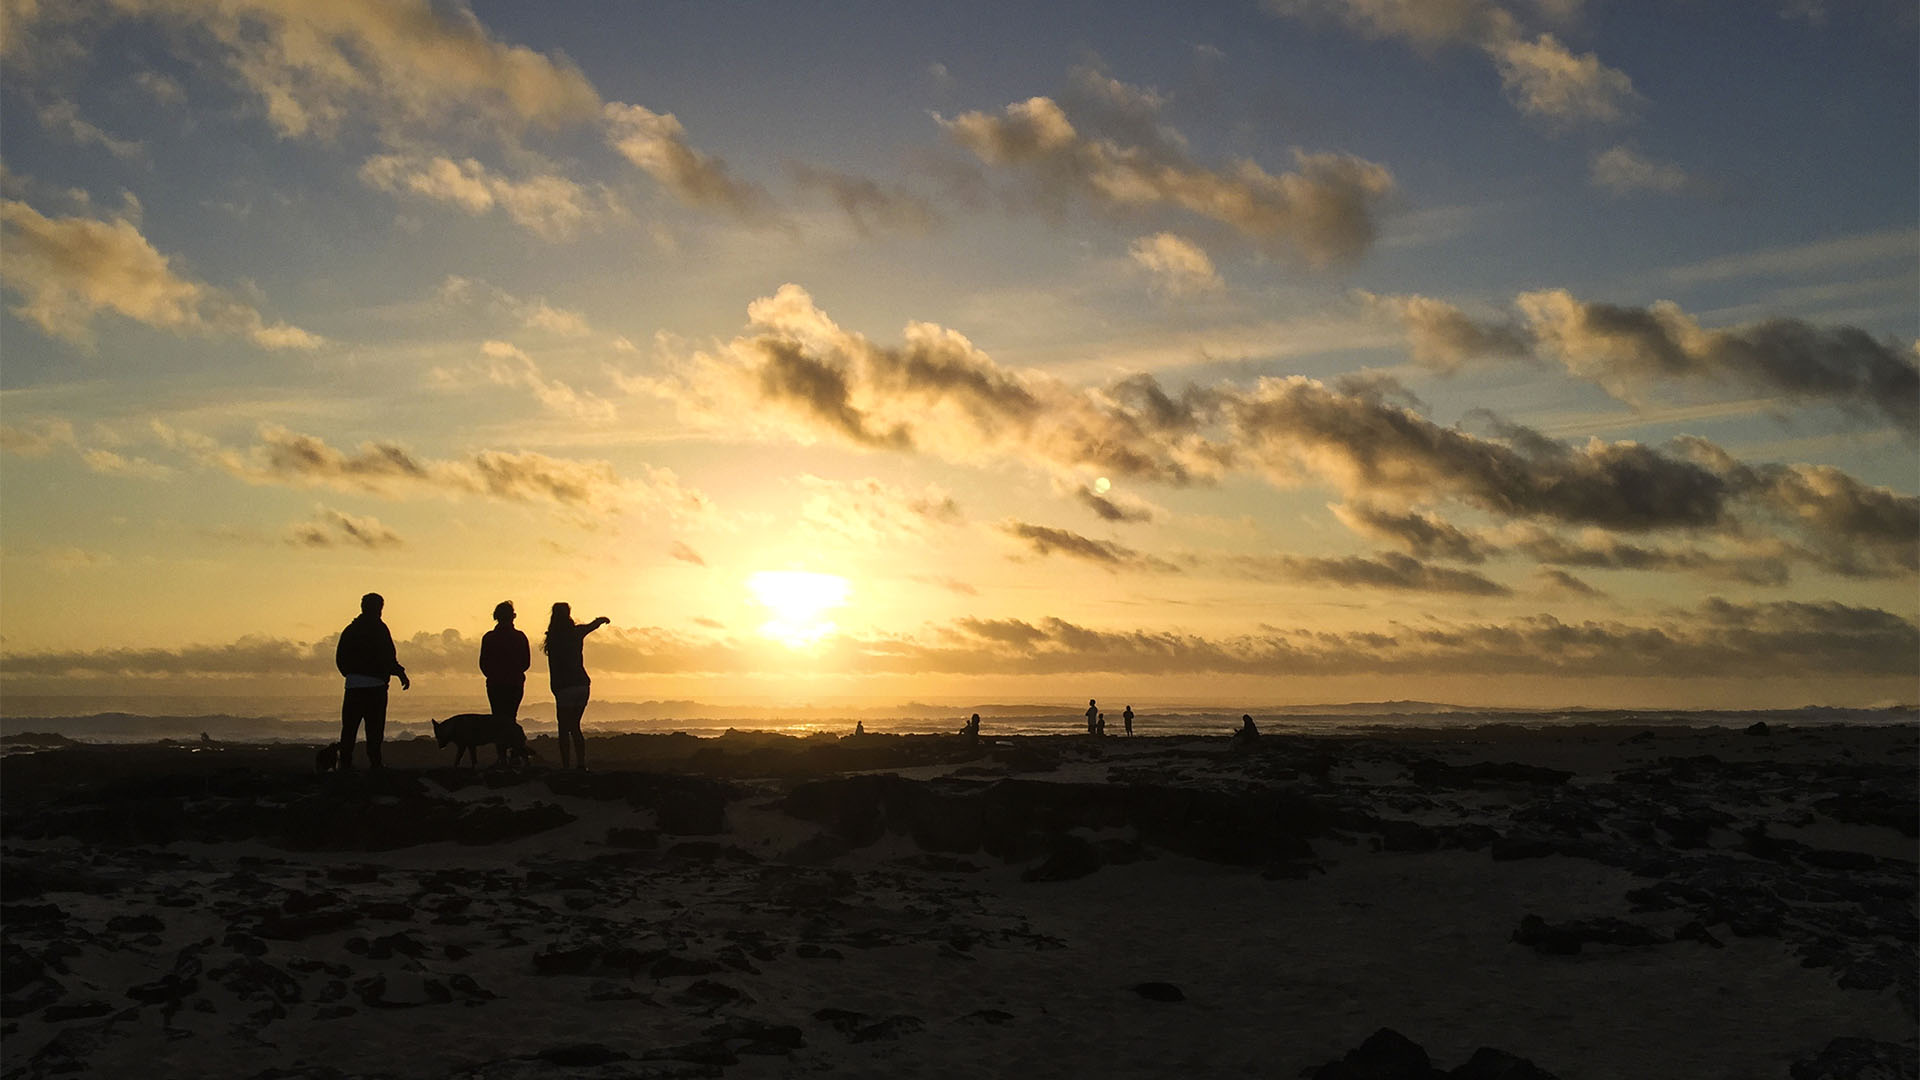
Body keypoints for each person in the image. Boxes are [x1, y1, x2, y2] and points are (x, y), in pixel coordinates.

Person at [335, 592, 409, 770]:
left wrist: (351, 675)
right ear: (379, 608)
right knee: (374, 729)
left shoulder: (350, 630)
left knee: (349, 728)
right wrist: (399, 673)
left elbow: (340, 657)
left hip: (353, 685)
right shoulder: (380, 629)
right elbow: (388, 656)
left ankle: (345, 762)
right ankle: (375, 763)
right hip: (375, 686)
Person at [544, 602, 609, 770]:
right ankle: (581, 764)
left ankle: (566, 766)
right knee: (574, 726)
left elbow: (553, 666)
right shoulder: (575, 632)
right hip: (581, 685)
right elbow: (590, 627)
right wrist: (600, 620)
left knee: (564, 729)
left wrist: (555, 688)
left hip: (564, 687)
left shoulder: (553, 637)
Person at [479, 601, 530, 728]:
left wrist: (493, 675)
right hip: (514, 683)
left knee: (498, 718)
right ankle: (511, 745)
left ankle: (501, 747)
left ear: (496, 617)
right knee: (511, 717)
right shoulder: (519, 637)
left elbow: (483, 663)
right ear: (513, 616)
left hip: (495, 683)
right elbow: (526, 663)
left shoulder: (489, 637)